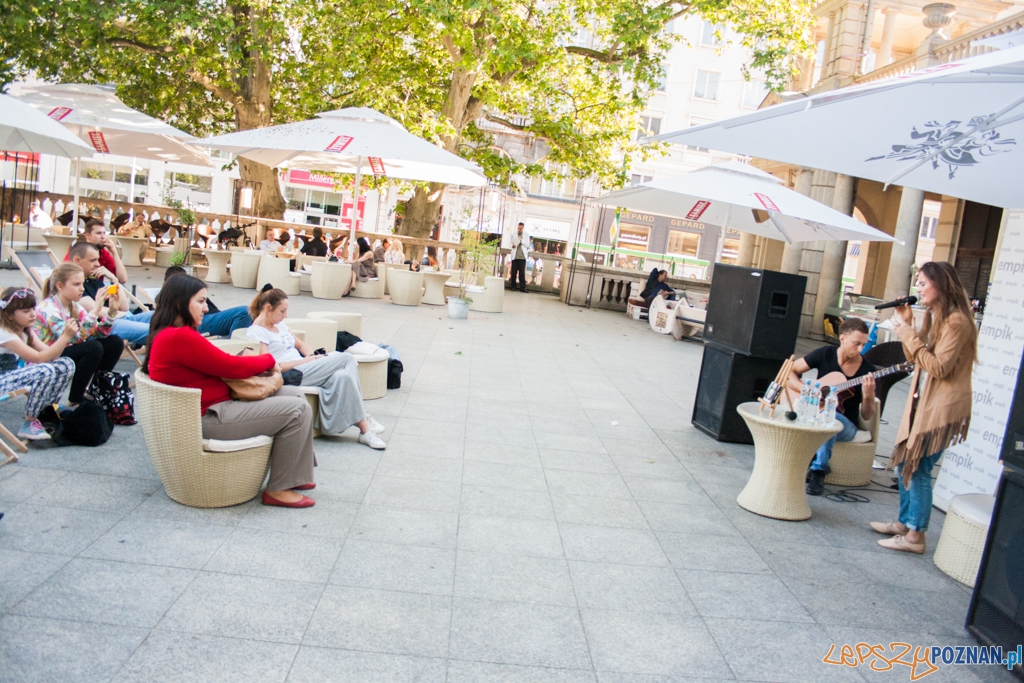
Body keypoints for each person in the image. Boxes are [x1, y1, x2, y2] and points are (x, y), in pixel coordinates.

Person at [145, 275, 318, 508]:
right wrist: (268, 360)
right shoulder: (179, 336)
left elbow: (219, 363)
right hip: (210, 417)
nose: (206, 308)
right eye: (201, 301)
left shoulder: (169, 333)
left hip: (212, 409)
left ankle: (295, 473)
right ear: (179, 303)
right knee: (297, 409)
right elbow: (230, 367)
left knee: (295, 395)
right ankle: (278, 489)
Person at [870, 262, 977, 554]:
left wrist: (906, 333)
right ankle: (906, 524)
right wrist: (910, 325)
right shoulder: (937, 316)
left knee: (918, 467)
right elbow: (916, 359)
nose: (917, 288)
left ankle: (916, 537)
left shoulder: (956, 321)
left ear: (940, 284)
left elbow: (939, 368)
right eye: (916, 283)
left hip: (943, 405)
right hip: (925, 401)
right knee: (907, 462)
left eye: (922, 283)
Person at [246, 288, 387, 449]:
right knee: (346, 358)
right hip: (290, 374)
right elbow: (271, 367)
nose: (285, 315)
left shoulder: (280, 326)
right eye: (282, 311)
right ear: (268, 308)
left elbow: (300, 344)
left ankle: (364, 431)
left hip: (305, 366)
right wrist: (307, 361)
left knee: (344, 377)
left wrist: (314, 357)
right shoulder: (257, 332)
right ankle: (364, 414)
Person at [790, 317, 877, 496]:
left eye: (864, 344)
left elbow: (867, 416)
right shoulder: (825, 354)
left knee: (829, 417)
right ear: (842, 339)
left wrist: (868, 395)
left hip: (845, 425)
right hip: (816, 413)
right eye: (856, 344)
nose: (861, 349)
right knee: (822, 415)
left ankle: (819, 471)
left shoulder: (867, 370)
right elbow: (789, 371)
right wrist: (805, 390)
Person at [34, 263, 124, 406]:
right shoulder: (48, 309)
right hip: (47, 355)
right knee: (93, 348)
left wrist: (112, 312)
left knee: (115, 342)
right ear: (60, 286)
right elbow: (76, 338)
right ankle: (75, 399)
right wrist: (95, 310)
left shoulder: (73, 305)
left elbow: (98, 333)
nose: (82, 288)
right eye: (76, 284)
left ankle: (97, 392)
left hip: (65, 350)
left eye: (82, 283)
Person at [0, 287, 77, 439]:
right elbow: (39, 358)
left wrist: (65, 337)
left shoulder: (25, 330)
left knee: (66, 364)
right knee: (45, 370)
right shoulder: (4, 332)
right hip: (3, 379)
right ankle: (29, 422)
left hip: (13, 375)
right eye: (25, 311)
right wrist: (65, 336)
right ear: (8, 315)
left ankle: (47, 409)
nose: (33, 314)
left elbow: (53, 356)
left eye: (33, 309)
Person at [63, 219, 128, 283]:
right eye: (99, 233)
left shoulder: (103, 253)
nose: (103, 237)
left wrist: (114, 252)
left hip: (96, 288)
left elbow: (122, 279)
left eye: (104, 233)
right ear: (88, 236)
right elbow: (66, 278)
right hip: (81, 288)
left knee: (122, 286)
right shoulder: (78, 251)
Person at [509, 222, 531, 292]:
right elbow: (511, 243)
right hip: (515, 256)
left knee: (522, 273)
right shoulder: (513, 234)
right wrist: (513, 245)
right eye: (518, 228)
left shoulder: (526, 235)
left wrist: (521, 240)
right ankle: (513, 286)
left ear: (523, 228)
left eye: (520, 228)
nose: (519, 229)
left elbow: (527, 245)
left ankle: (523, 287)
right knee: (513, 272)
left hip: (522, 256)